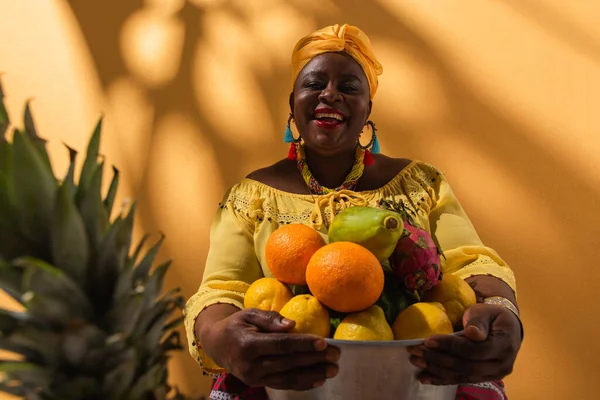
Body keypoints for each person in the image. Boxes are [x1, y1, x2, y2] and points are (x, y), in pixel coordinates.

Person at [184, 24, 523, 400]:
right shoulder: (250, 197)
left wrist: (500, 307)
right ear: (292, 103)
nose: (330, 94)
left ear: (368, 110)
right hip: (288, 384)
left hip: (417, 380)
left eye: (348, 87)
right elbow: (220, 290)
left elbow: (472, 261)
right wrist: (220, 338)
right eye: (314, 84)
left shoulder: (421, 183)